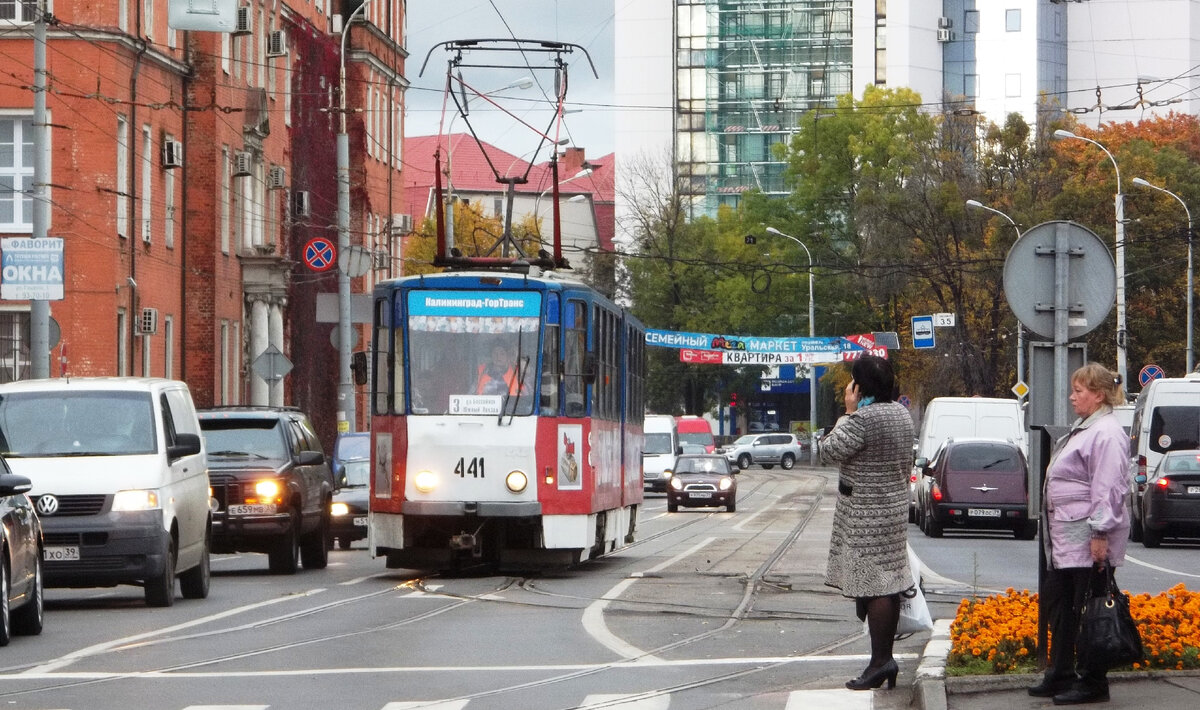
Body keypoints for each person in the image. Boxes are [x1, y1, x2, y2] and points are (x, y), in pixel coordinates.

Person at [1029, 362, 1129, 705]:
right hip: (1067, 539)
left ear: (1098, 395)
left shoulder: (1106, 433)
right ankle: (1061, 673)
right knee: (1062, 607)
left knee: (1091, 610)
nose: (1072, 397)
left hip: (1087, 538)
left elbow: (1108, 486)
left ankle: (1093, 681)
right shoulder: (1087, 428)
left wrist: (1100, 531)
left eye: (1078, 391)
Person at [819, 355, 914, 691]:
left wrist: (847, 412)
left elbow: (828, 452)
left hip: (866, 518)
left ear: (859, 387)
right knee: (886, 583)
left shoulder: (862, 420)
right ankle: (883, 660)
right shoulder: (901, 414)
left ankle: (881, 662)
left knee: (875, 588)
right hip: (893, 513)